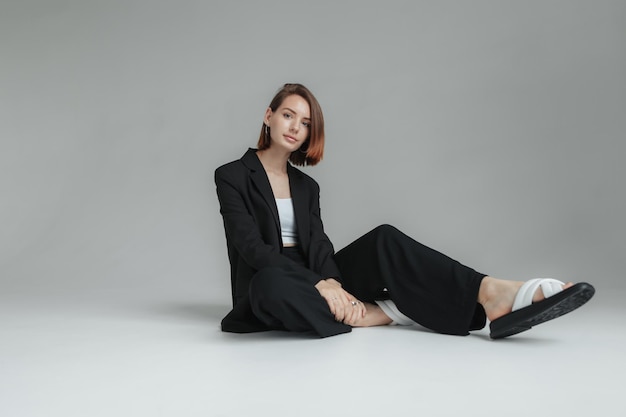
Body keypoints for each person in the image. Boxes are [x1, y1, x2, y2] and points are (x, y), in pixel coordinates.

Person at [214, 83, 595, 339]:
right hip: (271, 283)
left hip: (317, 282)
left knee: (384, 238)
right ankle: (378, 313)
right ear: (268, 116)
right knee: (270, 284)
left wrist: (329, 278)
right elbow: (251, 248)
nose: (296, 127)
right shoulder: (232, 175)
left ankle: (490, 292)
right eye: (288, 115)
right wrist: (321, 285)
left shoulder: (306, 186)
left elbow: (319, 247)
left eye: (306, 122)